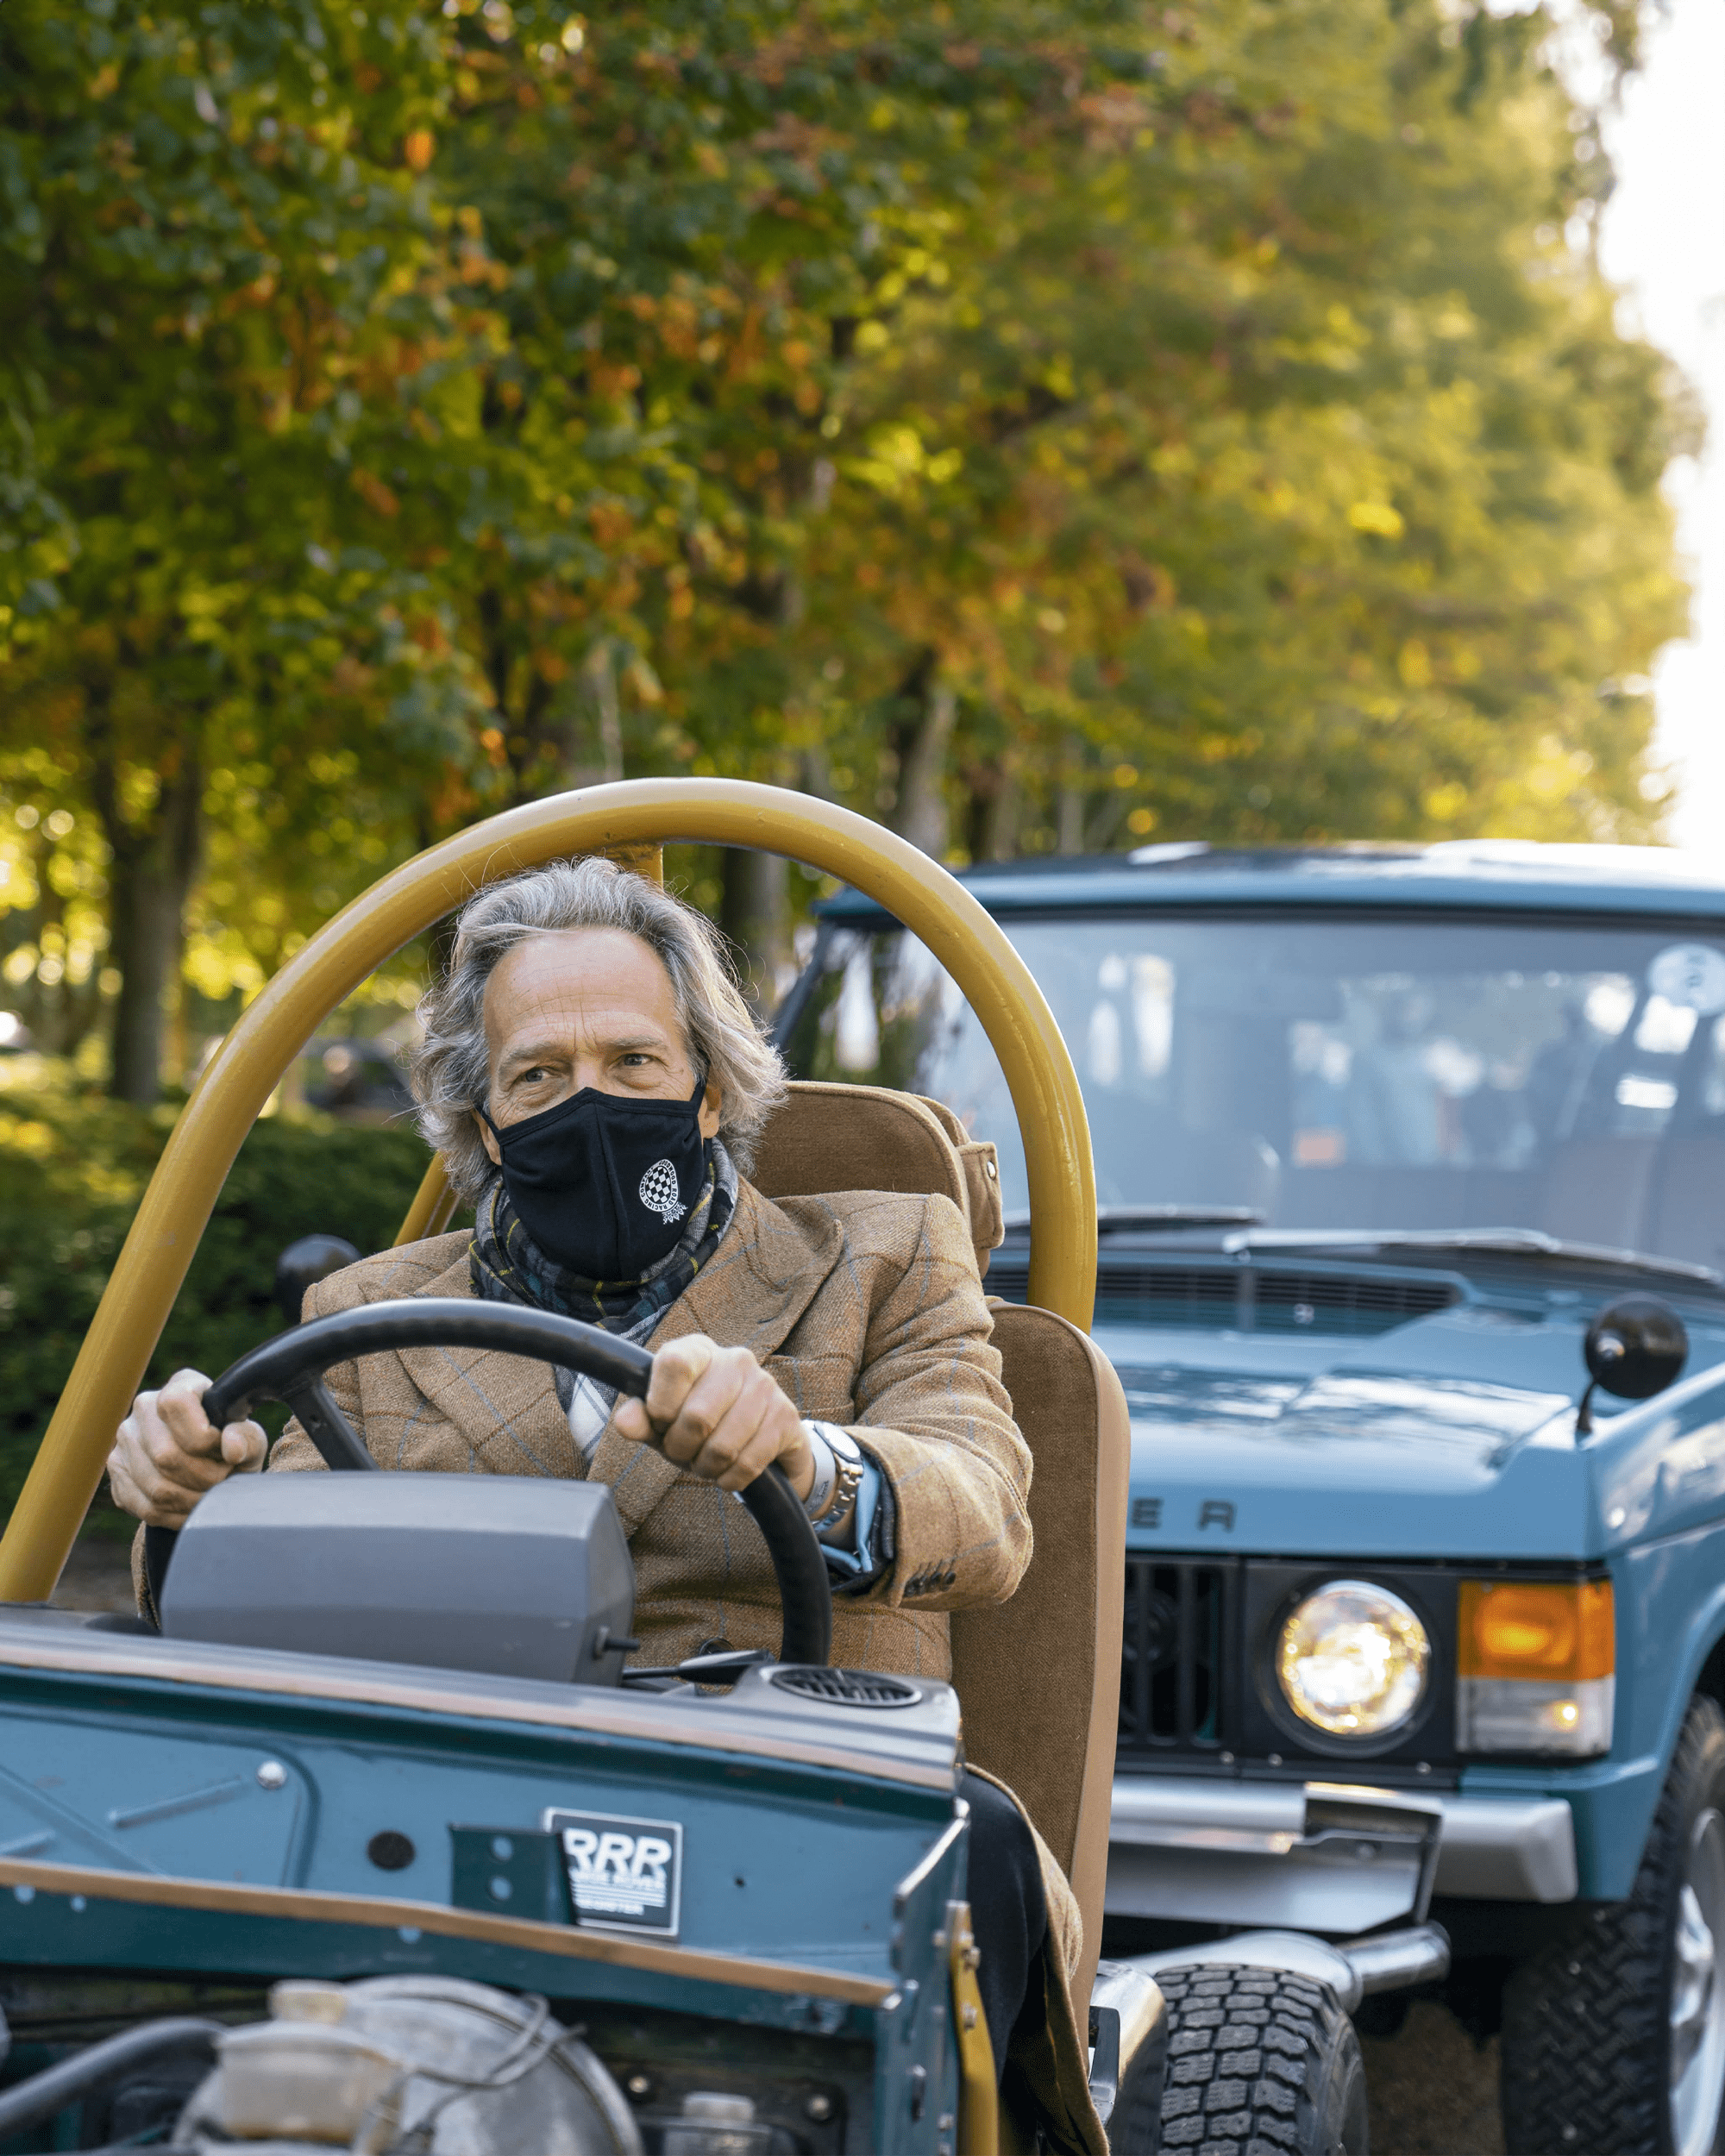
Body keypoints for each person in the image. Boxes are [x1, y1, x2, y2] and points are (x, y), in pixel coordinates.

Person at [106, 856, 1082, 2111]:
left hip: (778, 1817)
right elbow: (266, 1596)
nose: (592, 1104)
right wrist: (192, 1500)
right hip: (442, 1827)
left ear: (710, 1089)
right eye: (539, 1076)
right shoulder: (368, 1314)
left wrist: (804, 1459)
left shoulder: (883, 1258)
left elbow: (983, 1505)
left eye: (633, 1063)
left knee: (976, 1844)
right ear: (485, 1124)